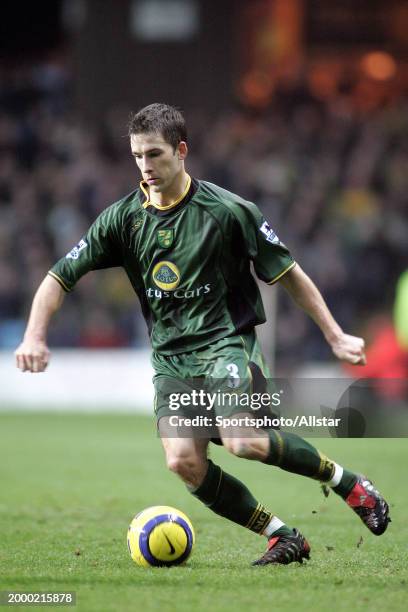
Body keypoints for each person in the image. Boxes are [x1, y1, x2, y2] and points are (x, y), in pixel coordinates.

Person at [15, 103, 390, 566]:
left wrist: (334, 336)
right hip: (171, 361)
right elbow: (58, 277)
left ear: (181, 150)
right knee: (182, 463)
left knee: (243, 442)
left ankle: (348, 483)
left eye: (154, 154)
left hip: (226, 345)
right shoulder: (122, 220)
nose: (146, 167)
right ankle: (281, 536)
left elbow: (290, 273)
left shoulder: (229, 211)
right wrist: (34, 336)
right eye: (137, 156)